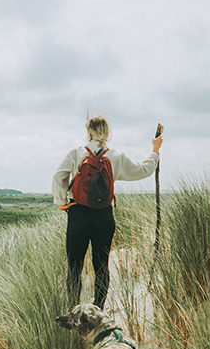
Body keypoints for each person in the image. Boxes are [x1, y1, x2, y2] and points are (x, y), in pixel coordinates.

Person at [52, 115, 163, 309]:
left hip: (78, 214)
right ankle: (98, 310)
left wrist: (61, 201)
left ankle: (73, 310)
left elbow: (59, 176)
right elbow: (144, 170)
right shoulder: (117, 156)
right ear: (107, 133)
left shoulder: (76, 153)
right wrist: (155, 149)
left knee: (74, 268)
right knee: (101, 266)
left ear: (88, 132)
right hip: (104, 216)